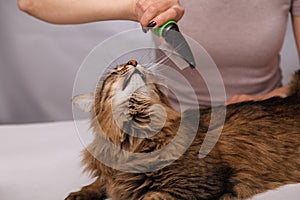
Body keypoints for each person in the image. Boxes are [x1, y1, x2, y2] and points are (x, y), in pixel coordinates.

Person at [18, 0, 300, 105]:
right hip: (174, 127)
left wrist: (266, 101)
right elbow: (33, 3)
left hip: (266, 121)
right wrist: (135, 7)